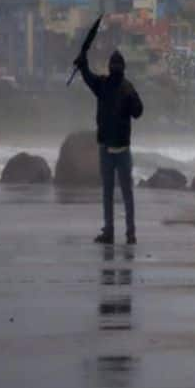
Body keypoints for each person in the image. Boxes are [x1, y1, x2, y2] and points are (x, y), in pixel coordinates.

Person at [74, 50, 144, 244]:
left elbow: (89, 78)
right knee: (124, 193)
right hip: (114, 148)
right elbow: (139, 112)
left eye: (115, 65)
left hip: (111, 148)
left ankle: (114, 232)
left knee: (111, 193)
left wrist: (83, 65)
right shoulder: (120, 87)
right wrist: (83, 65)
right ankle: (126, 233)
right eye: (115, 65)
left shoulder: (108, 86)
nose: (115, 68)